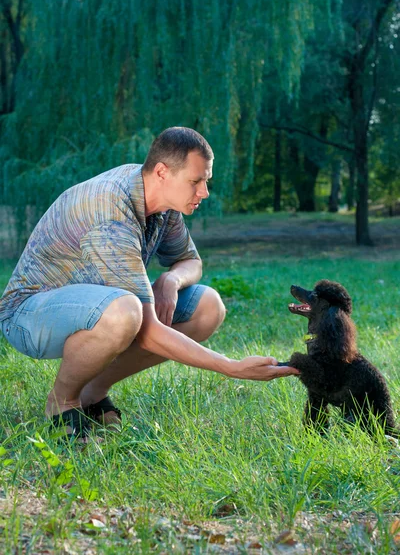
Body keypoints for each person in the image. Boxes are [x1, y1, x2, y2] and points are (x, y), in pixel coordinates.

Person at [0, 127, 298, 439]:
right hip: (29, 315)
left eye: (205, 180)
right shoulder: (111, 210)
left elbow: (191, 261)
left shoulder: (158, 201)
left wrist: (171, 279)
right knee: (126, 312)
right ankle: (62, 402)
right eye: (196, 181)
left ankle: (92, 391)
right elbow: (148, 332)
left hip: (93, 307)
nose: (204, 192)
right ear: (162, 172)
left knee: (207, 307)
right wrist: (231, 367)